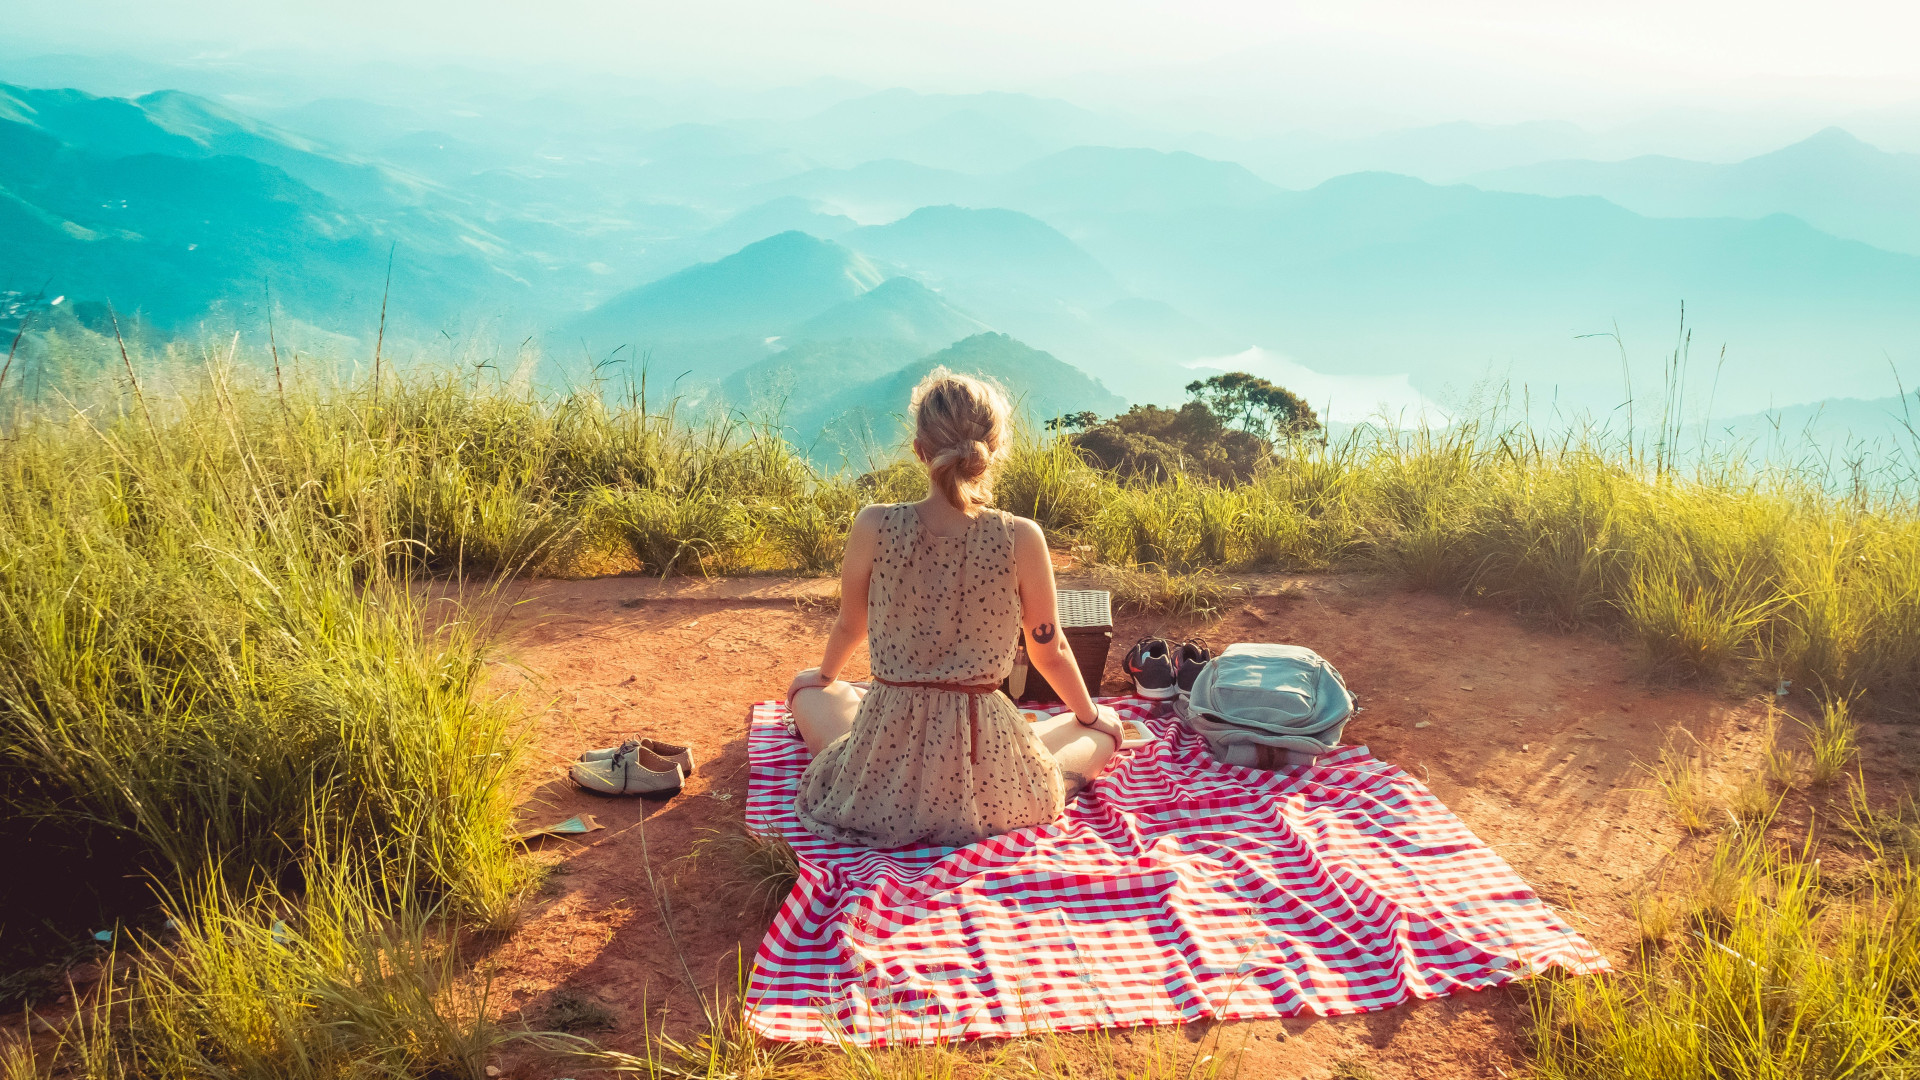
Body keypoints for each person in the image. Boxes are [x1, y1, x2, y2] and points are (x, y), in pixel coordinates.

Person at [785, 367, 1124, 849]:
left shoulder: (873, 525)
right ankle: (1063, 734)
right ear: (992, 452)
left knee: (810, 693)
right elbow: (1051, 651)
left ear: (920, 450)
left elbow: (850, 625)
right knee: (1099, 730)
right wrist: (1091, 715)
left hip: (887, 756)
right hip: (986, 762)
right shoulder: (1021, 536)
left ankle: (854, 711)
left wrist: (823, 675)